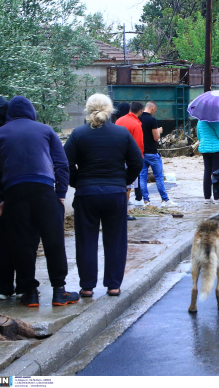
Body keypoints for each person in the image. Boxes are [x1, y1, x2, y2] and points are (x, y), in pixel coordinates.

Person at [0, 96, 79, 307]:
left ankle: (29, 293)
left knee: (21, 244)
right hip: (44, 191)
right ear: (31, 111)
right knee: (54, 242)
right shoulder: (46, 130)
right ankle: (59, 292)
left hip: (14, 193)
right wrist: (61, 195)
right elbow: (62, 165)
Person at [64, 94, 143, 297]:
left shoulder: (78, 134)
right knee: (116, 240)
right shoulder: (121, 133)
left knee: (86, 241)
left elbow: (65, 164)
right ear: (110, 110)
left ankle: (87, 286)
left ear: (88, 109)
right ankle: (114, 285)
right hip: (115, 193)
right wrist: (123, 181)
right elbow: (137, 162)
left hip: (86, 193)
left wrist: (78, 181)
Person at [0, 96, 37, 300]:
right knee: (25, 240)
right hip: (16, 193)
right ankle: (24, 285)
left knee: (2, 241)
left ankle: (3, 288)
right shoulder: (10, 133)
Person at [138, 101, 177, 207]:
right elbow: (156, 138)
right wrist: (158, 131)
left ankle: (146, 200)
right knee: (159, 177)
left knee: (142, 177)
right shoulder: (152, 120)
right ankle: (165, 200)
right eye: (155, 110)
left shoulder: (138, 118)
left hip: (141, 152)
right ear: (153, 108)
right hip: (152, 152)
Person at [116, 102, 144, 220]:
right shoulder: (136, 124)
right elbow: (138, 146)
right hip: (129, 160)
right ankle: (123, 214)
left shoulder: (119, 121)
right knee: (128, 187)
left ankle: (117, 210)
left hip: (117, 158)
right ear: (140, 111)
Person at [197, 119, 219, 203]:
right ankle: (217, 196)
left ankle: (207, 197)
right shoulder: (215, 121)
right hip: (216, 149)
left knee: (207, 172)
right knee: (217, 172)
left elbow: (199, 136)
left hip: (205, 149)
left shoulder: (199, 121)